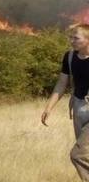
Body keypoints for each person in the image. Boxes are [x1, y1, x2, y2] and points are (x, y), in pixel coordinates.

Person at [42, 24, 89, 180]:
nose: (72, 41)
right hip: (79, 107)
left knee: (78, 155)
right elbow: (62, 84)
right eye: (71, 37)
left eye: (76, 38)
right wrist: (49, 108)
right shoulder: (69, 57)